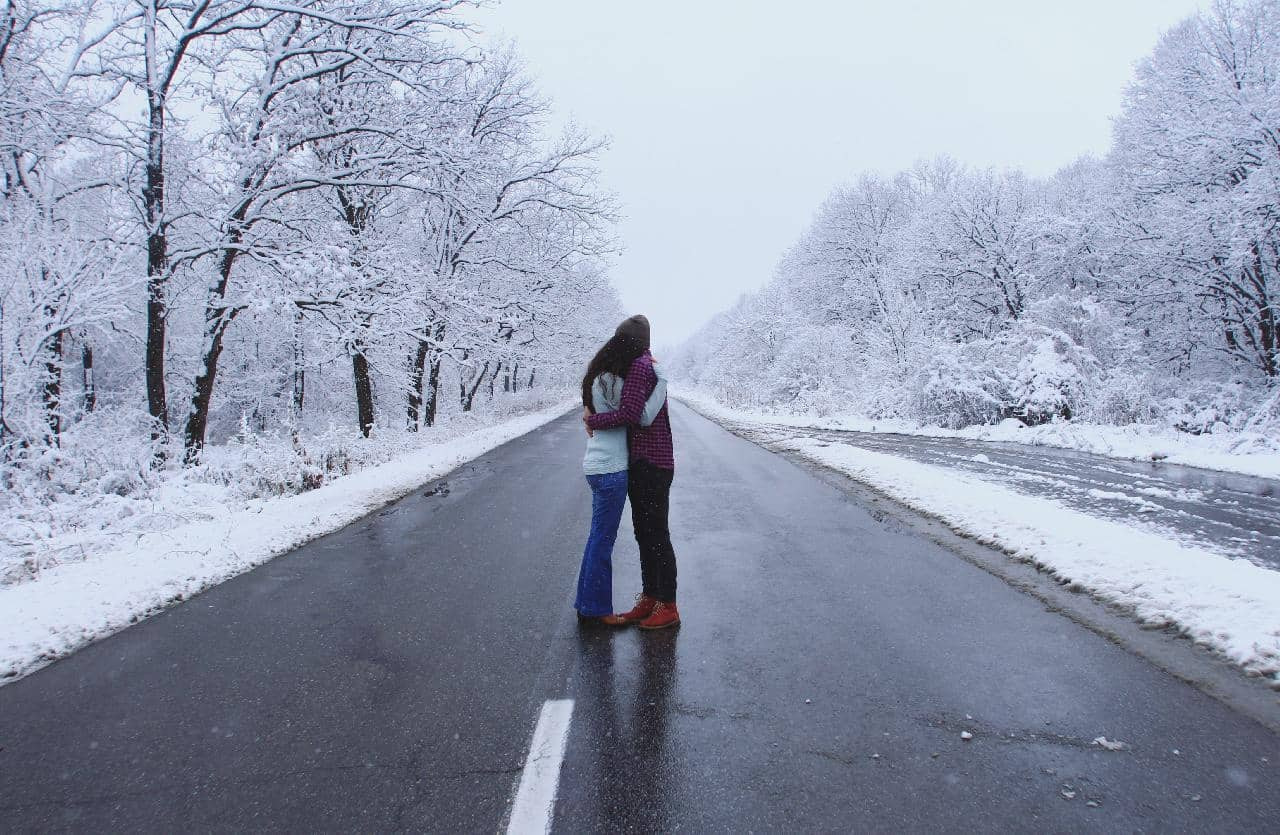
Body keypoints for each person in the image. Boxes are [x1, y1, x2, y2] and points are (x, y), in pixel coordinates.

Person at [583, 315, 681, 630]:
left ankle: (667, 604)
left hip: (651, 461)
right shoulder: (643, 365)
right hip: (646, 461)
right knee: (646, 534)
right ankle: (651, 597)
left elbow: (634, 415)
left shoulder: (640, 367)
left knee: (656, 534)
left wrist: (593, 421)